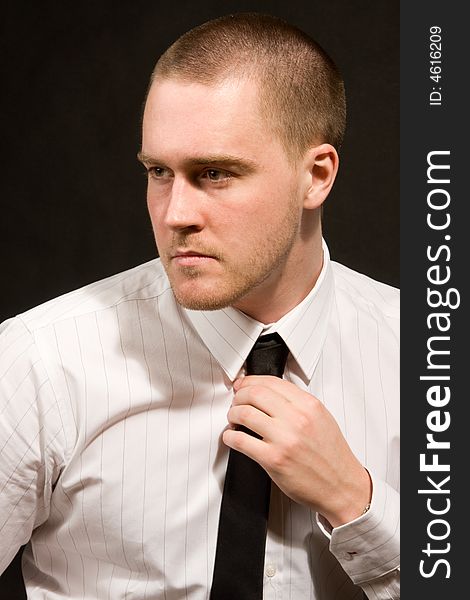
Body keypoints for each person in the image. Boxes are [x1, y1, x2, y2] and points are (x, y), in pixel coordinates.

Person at [0, 12, 399, 600]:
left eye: (215, 173)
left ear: (316, 175)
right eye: (159, 172)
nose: (174, 213)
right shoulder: (42, 362)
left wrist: (356, 503)